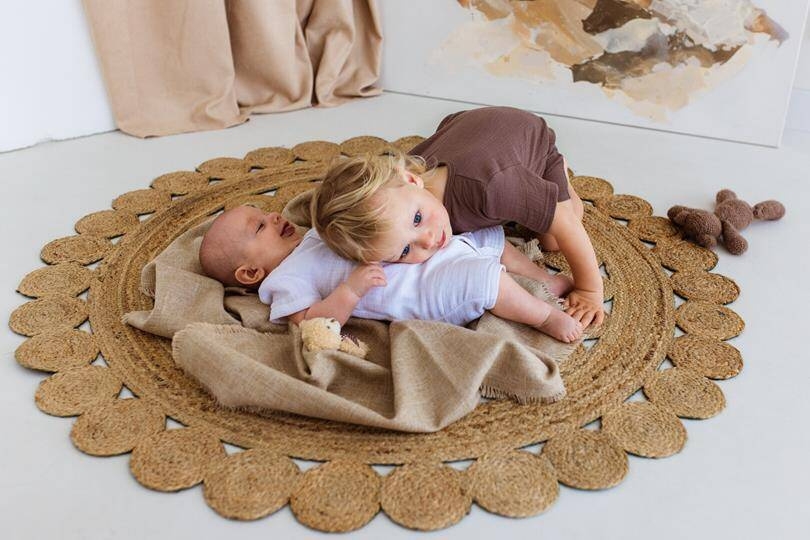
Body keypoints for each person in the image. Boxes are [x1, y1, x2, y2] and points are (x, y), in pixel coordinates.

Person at [311, 106, 605, 329]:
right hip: (465, 131)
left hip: (526, 136)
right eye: (405, 250)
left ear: (412, 179)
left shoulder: (491, 189)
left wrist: (589, 290)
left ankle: (557, 172)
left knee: (554, 239)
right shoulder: (407, 197)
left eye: (417, 219)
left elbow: (565, 224)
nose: (428, 240)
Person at [198, 205, 583, 342]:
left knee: (484, 238)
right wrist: (350, 291)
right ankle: (545, 316)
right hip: (419, 289)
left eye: (264, 213)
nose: (273, 216)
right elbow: (311, 324)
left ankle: (545, 280)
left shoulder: (311, 236)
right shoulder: (284, 280)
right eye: (259, 226)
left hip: (414, 255)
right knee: (487, 280)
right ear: (250, 272)